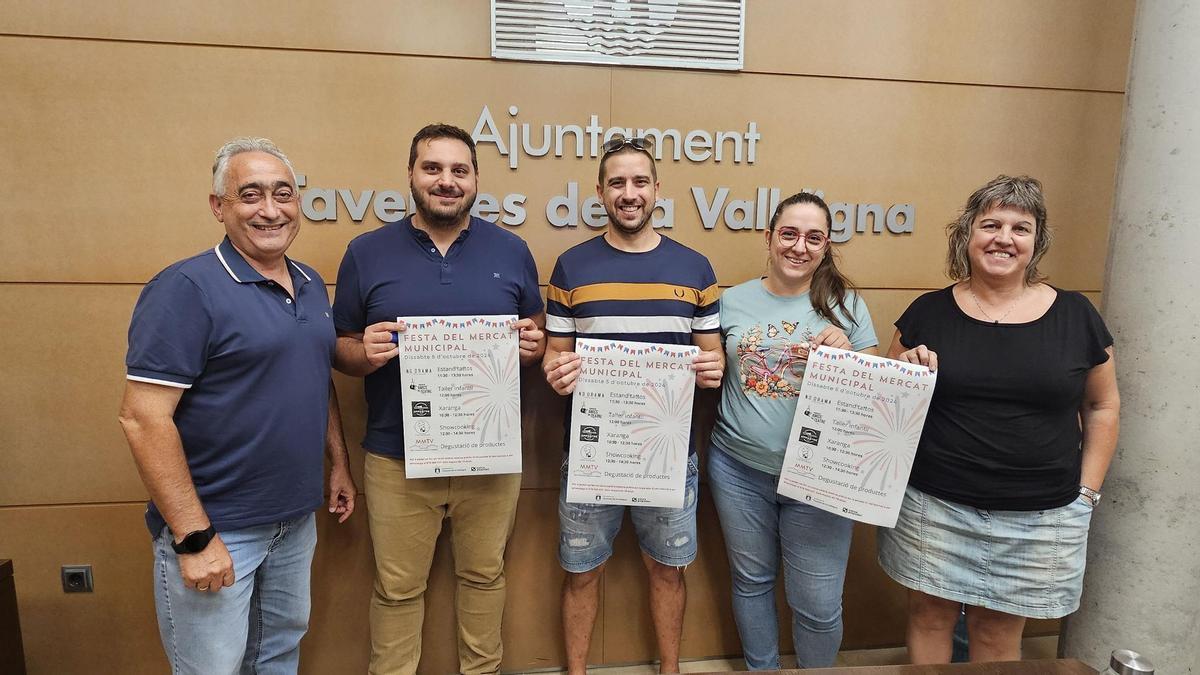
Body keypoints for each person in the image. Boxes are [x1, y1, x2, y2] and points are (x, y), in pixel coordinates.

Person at [118, 137, 356, 674]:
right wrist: (194, 536)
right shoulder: (185, 289)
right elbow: (142, 417)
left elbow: (315, 379)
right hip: (219, 530)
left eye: (282, 194)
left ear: (300, 202)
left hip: (294, 523)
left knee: (277, 659)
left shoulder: (311, 283)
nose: (269, 210)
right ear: (218, 206)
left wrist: (337, 462)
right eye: (250, 195)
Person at [877, 175, 1120, 663]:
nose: (1003, 238)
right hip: (934, 505)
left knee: (996, 635)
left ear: (1036, 241)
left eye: (1020, 227)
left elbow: (1102, 405)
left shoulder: (1076, 315)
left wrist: (1087, 493)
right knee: (928, 616)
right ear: (968, 235)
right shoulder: (928, 312)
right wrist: (903, 374)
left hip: (1039, 513)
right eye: (990, 224)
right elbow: (884, 403)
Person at [332, 123, 545, 675]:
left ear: (475, 179)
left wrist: (532, 346)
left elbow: (537, 333)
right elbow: (340, 348)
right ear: (410, 175)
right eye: (433, 169)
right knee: (397, 590)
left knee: (484, 578)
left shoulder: (512, 250)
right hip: (396, 457)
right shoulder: (366, 252)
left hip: (490, 455)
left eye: (459, 170)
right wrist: (365, 352)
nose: (446, 181)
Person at [541, 135, 724, 675]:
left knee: (667, 570)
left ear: (656, 190)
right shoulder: (571, 267)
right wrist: (558, 371)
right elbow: (555, 354)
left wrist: (712, 370)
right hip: (592, 451)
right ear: (599, 191)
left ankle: (670, 670)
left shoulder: (695, 268)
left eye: (639, 181)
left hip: (669, 454)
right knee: (581, 571)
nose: (629, 193)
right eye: (617, 182)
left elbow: (710, 359)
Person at [707, 192, 879, 669]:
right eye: (789, 233)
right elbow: (711, 367)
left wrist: (848, 352)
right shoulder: (731, 302)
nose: (799, 246)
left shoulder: (846, 305)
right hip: (739, 469)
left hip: (819, 480)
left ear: (825, 246)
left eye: (813, 237)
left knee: (819, 608)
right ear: (769, 237)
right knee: (751, 582)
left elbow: (874, 400)